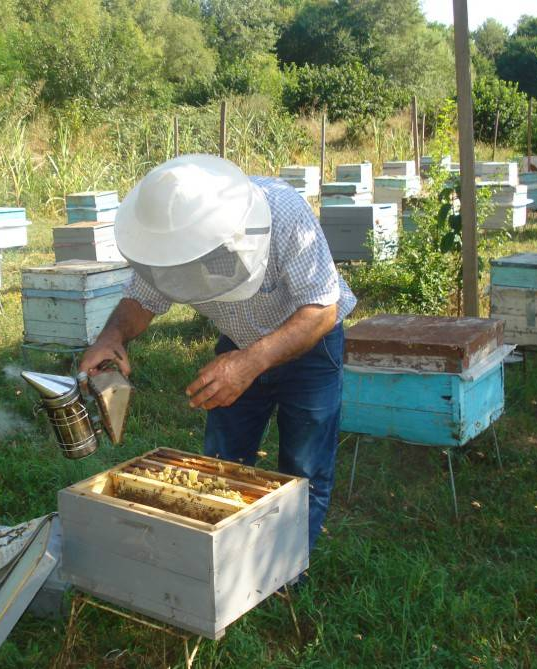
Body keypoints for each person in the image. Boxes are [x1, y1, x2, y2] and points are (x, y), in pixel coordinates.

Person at [79, 154, 356, 550]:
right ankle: (226, 559)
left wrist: (250, 363)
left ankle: (288, 570)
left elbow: (322, 309)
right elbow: (141, 298)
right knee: (222, 462)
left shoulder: (284, 211)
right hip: (237, 346)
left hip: (309, 346)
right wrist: (112, 336)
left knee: (304, 470)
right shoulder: (171, 240)